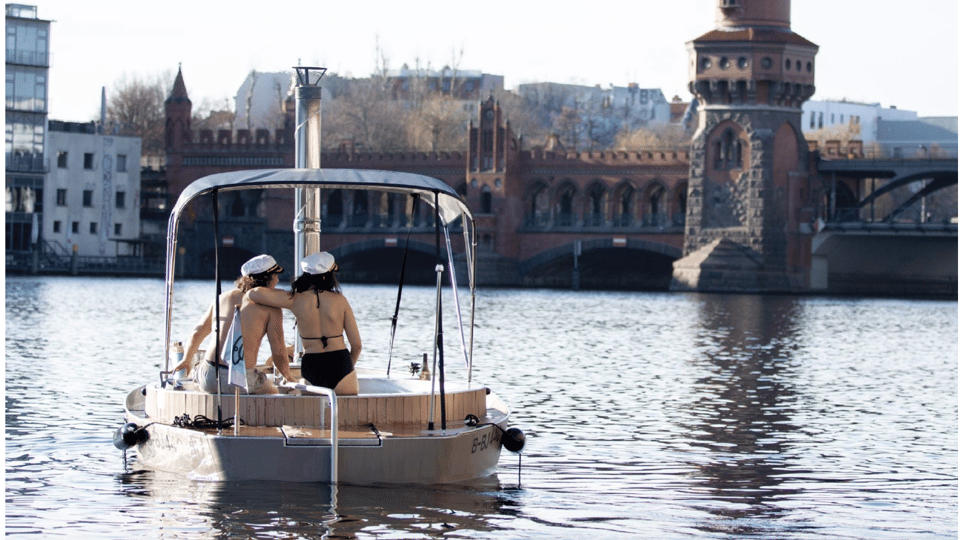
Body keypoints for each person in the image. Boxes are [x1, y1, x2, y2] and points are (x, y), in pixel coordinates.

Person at [174, 254, 295, 394]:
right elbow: (278, 351)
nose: (278, 279)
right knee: (275, 391)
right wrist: (288, 377)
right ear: (268, 278)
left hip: (209, 375)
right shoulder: (272, 308)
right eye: (276, 275)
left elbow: (197, 332)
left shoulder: (222, 298)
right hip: (241, 380)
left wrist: (186, 360)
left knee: (199, 370)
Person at [249, 251, 361, 395]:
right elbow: (357, 345)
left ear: (306, 276)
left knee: (314, 413)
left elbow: (253, 293)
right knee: (348, 414)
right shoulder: (340, 300)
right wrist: (347, 367)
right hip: (340, 361)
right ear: (328, 275)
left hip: (313, 364)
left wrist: (288, 291)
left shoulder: (295, 299)